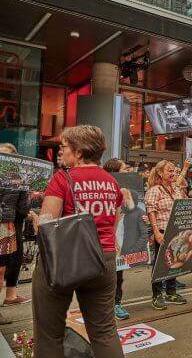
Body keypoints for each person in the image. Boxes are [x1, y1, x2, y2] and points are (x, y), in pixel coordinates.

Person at [33, 125, 124, 358]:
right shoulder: (111, 182)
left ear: (80, 152)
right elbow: (114, 221)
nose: (60, 152)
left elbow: (46, 225)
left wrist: (34, 218)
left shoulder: (62, 178)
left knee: (49, 334)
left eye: (64, 147)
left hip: (62, 260)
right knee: (104, 332)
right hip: (102, 259)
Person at [145, 160, 188, 310]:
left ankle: (171, 292)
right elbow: (151, 211)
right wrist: (156, 232)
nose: (173, 174)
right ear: (160, 173)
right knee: (160, 263)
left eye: (174, 171)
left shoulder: (176, 189)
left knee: (174, 261)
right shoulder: (155, 190)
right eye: (169, 171)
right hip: (162, 231)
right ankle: (157, 295)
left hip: (176, 231)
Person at [0, 143, 32, 325]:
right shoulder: (19, 179)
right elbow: (23, 209)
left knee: (1, 269)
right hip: (6, 225)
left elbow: (23, 208)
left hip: (6, 227)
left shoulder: (20, 181)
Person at [102, 158, 131, 321]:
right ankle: (103, 306)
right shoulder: (105, 189)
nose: (128, 172)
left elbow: (133, 209)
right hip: (107, 236)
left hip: (122, 233)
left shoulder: (127, 189)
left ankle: (116, 303)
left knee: (118, 272)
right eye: (125, 169)